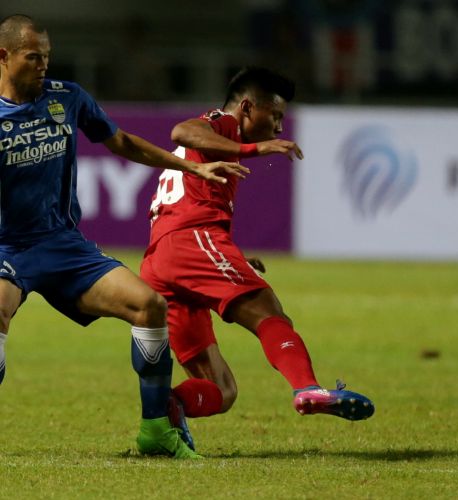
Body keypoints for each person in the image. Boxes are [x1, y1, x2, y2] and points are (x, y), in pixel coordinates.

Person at [0, 15, 248, 459]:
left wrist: (191, 166)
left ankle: (157, 431)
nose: (43, 65)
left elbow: (122, 143)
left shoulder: (66, 98)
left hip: (63, 245)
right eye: (33, 57)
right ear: (4, 56)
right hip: (6, 249)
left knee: (149, 306)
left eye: (47, 57)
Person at [140, 66, 374, 450]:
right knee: (270, 313)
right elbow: (180, 131)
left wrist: (233, 256)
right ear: (248, 107)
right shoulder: (223, 123)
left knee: (222, 390)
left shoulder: (212, 145)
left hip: (163, 259)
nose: (280, 128)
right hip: (189, 242)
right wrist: (254, 148)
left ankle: (168, 408)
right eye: (275, 115)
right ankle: (307, 388)